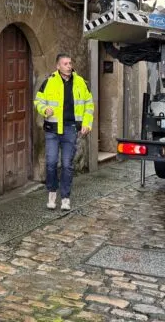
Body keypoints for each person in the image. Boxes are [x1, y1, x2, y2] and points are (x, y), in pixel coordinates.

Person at [33, 53, 94, 211]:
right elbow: (38, 100)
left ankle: (65, 197)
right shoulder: (49, 82)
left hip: (71, 129)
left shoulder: (81, 83)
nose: (68, 66)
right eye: (65, 63)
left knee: (67, 165)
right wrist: (44, 109)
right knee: (51, 163)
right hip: (52, 130)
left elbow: (89, 104)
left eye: (70, 63)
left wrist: (87, 123)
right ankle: (52, 192)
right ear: (58, 66)